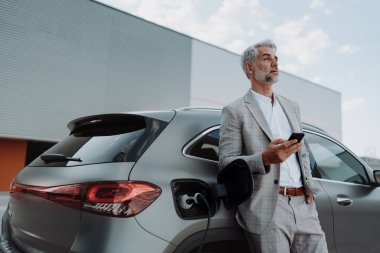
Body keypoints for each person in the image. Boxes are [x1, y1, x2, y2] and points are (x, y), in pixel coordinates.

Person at [218, 40, 328, 253]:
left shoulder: (292, 106)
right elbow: (226, 162)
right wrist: (265, 158)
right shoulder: (235, 110)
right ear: (250, 68)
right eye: (266, 58)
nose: (275, 63)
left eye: (276, 59)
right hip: (268, 207)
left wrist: (309, 189)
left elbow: (302, 151)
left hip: (304, 207)